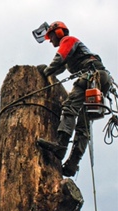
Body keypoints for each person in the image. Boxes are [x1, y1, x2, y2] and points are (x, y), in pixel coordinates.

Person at [36, 21, 112, 177]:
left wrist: (45, 73)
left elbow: (58, 60)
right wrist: (51, 73)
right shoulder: (74, 49)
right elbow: (61, 67)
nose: (52, 42)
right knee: (84, 124)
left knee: (69, 106)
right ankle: (72, 164)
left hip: (91, 76)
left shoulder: (68, 40)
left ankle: (61, 145)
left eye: (51, 37)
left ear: (58, 32)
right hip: (101, 79)